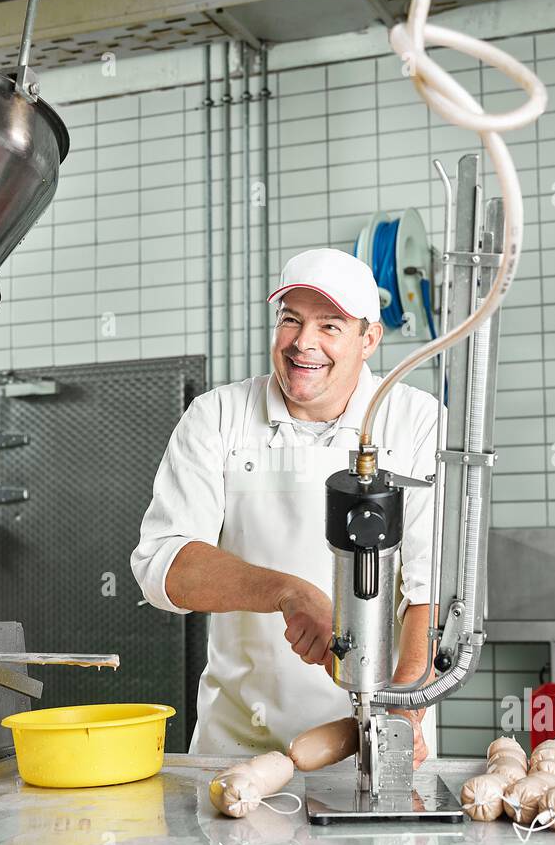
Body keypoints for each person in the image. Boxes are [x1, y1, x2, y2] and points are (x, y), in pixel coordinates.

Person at [131, 247, 439, 767]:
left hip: (374, 740)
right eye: (290, 320)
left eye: (330, 326)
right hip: (237, 747)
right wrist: (289, 593)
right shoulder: (218, 416)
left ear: (370, 339)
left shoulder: (415, 420)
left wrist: (403, 711)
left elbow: (432, 592)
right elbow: (165, 567)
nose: (303, 343)